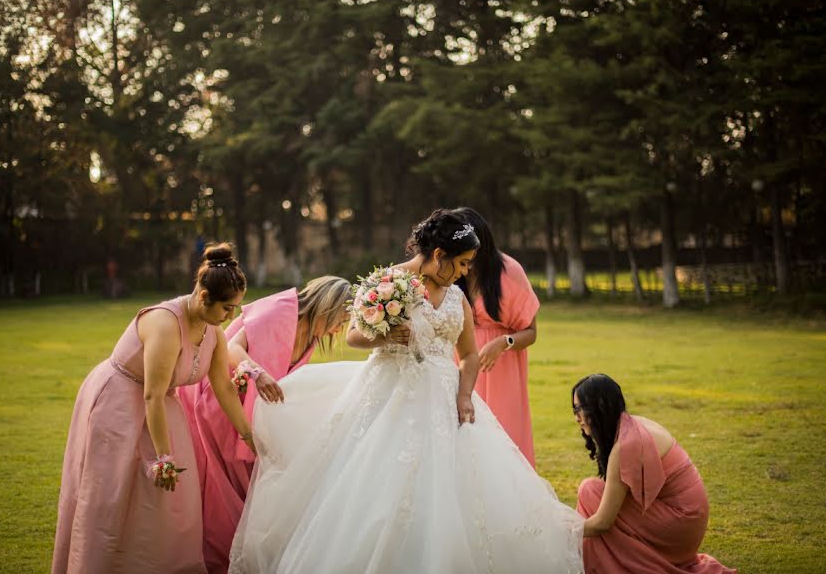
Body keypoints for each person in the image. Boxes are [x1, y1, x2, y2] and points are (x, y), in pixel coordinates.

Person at [228, 209, 584, 574]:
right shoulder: (388, 282)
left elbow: (470, 356)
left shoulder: (456, 297)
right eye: (461, 263)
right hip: (390, 392)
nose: (465, 272)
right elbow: (353, 336)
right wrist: (383, 335)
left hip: (445, 396)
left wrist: (464, 396)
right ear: (439, 256)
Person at [52, 243, 254, 574]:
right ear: (204, 298)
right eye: (227, 308)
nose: (231, 317)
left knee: (173, 502)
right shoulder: (164, 324)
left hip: (163, 405)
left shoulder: (213, 331)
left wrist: (248, 434)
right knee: (114, 491)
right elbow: (151, 396)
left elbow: (224, 388)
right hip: (119, 400)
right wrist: (164, 459)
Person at [178, 276, 351, 573]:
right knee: (224, 487)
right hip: (223, 401)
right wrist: (258, 373)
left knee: (248, 485)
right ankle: (218, 553)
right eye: (341, 319)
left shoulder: (310, 334)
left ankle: (236, 550)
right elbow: (230, 348)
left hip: (253, 412)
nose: (340, 328)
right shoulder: (279, 312)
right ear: (327, 307)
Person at [572, 374, 737, 573]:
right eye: (574, 409)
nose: (577, 418)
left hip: (680, 527)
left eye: (580, 409)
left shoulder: (626, 445)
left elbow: (602, 523)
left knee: (590, 492)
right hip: (689, 521)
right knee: (593, 491)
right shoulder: (631, 424)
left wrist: (560, 532)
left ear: (600, 407)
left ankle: (605, 565)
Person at [454, 207, 540, 465]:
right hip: (459, 359)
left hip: (502, 368)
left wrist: (504, 342)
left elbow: (531, 331)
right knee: (464, 430)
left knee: (505, 432)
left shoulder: (509, 271)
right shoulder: (452, 272)